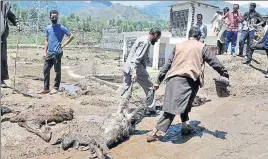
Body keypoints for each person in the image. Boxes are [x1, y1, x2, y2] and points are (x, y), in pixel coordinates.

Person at [146, 26, 229, 142]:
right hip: (187, 81)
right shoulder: (201, 46)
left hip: (173, 80)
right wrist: (224, 74)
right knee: (172, 109)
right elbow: (214, 61)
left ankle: (184, 127)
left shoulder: (178, 46)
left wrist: (158, 81)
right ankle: (154, 132)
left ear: (189, 36)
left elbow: (167, 65)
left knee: (186, 105)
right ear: (199, 37)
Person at [122, 28, 161, 114]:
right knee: (151, 87)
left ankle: (122, 110)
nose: (157, 40)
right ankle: (151, 110)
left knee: (126, 90)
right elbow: (136, 58)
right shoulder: (145, 42)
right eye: (158, 38)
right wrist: (134, 72)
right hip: (136, 68)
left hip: (127, 67)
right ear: (155, 35)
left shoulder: (141, 38)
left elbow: (142, 56)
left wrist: (148, 65)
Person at [38, 10, 74, 94]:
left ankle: (55, 87)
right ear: (49, 17)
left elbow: (72, 36)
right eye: (53, 17)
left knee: (57, 71)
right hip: (49, 53)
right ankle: (46, 88)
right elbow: (46, 40)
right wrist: (44, 51)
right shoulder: (48, 28)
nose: (54, 18)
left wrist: (63, 45)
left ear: (58, 17)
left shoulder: (61, 27)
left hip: (57, 53)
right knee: (45, 70)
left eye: (56, 17)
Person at [1, 0, 21, 88]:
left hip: (1, 35)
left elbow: (10, 15)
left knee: (2, 58)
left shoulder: (4, 4)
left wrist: (17, 23)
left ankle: (1, 79)